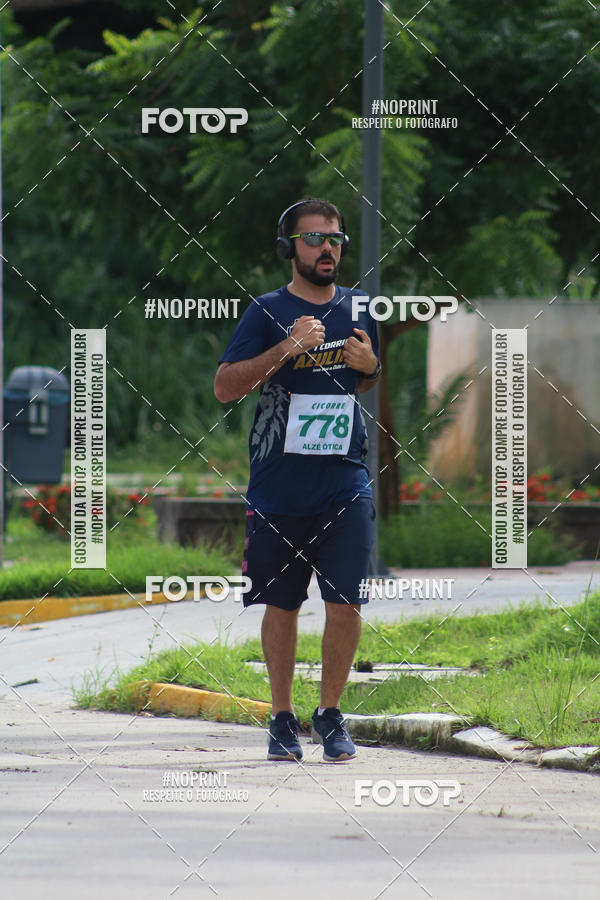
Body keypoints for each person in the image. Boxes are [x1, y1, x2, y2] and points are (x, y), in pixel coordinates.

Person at [214, 198, 381, 762]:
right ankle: (282, 719)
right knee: (282, 605)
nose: (328, 248)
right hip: (279, 487)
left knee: (347, 600)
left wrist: (370, 368)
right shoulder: (266, 310)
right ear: (289, 249)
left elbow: (363, 380)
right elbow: (225, 386)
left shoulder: (361, 307)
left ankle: (331, 715)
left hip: (345, 480)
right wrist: (288, 347)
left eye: (335, 239)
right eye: (314, 239)